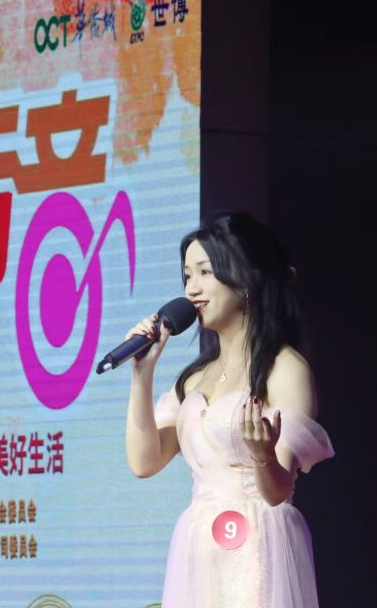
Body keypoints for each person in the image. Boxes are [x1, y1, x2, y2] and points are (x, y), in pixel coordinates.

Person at [125, 212, 334, 608]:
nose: (192, 288)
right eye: (187, 275)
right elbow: (143, 462)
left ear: (246, 279)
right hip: (199, 549)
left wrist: (262, 454)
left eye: (205, 272)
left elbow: (277, 492)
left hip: (259, 546)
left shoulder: (284, 368)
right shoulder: (193, 380)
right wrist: (142, 375)